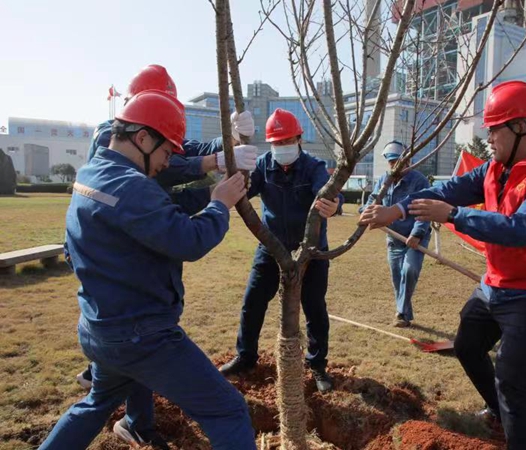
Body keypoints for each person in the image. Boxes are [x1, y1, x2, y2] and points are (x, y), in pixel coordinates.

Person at [359, 81, 526, 450]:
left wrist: (454, 216)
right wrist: (396, 210)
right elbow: (447, 190)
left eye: (494, 129)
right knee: (467, 345)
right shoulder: (495, 168)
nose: (488, 138)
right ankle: (498, 411)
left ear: (521, 127)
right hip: (496, 282)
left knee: (513, 377)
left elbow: (524, 228)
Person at [40, 90, 256, 450]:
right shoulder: (132, 185)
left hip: (99, 327)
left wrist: (213, 190)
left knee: (95, 405)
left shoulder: (92, 173)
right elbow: (189, 240)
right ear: (142, 138)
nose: (166, 163)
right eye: (167, 153)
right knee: (228, 411)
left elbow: (157, 214)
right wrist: (219, 205)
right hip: (142, 337)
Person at [219, 108, 340, 393]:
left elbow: (329, 193)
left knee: (314, 307)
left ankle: (317, 364)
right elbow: (243, 189)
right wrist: (232, 171)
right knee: (252, 302)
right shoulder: (263, 165)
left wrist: (334, 205)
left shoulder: (314, 167)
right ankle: (246, 357)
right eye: (277, 143)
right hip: (271, 248)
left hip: (311, 251)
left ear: (299, 140)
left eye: (287, 141)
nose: (282, 147)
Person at [86, 64, 257, 215]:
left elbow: (191, 151)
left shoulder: (153, 139)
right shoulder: (109, 136)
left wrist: (231, 137)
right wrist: (214, 162)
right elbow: (163, 168)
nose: (165, 161)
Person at [361, 140, 431, 327]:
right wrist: (365, 212)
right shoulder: (385, 180)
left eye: (397, 162)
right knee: (397, 278)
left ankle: (401, 312)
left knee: (409, 270)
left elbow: (424, 210)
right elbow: (373, 199)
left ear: (407, 161)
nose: (394, 166)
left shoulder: (419, 181)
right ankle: (404, 315)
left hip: (415, 238)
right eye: (391, 162)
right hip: (394, 238)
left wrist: (417, 233)